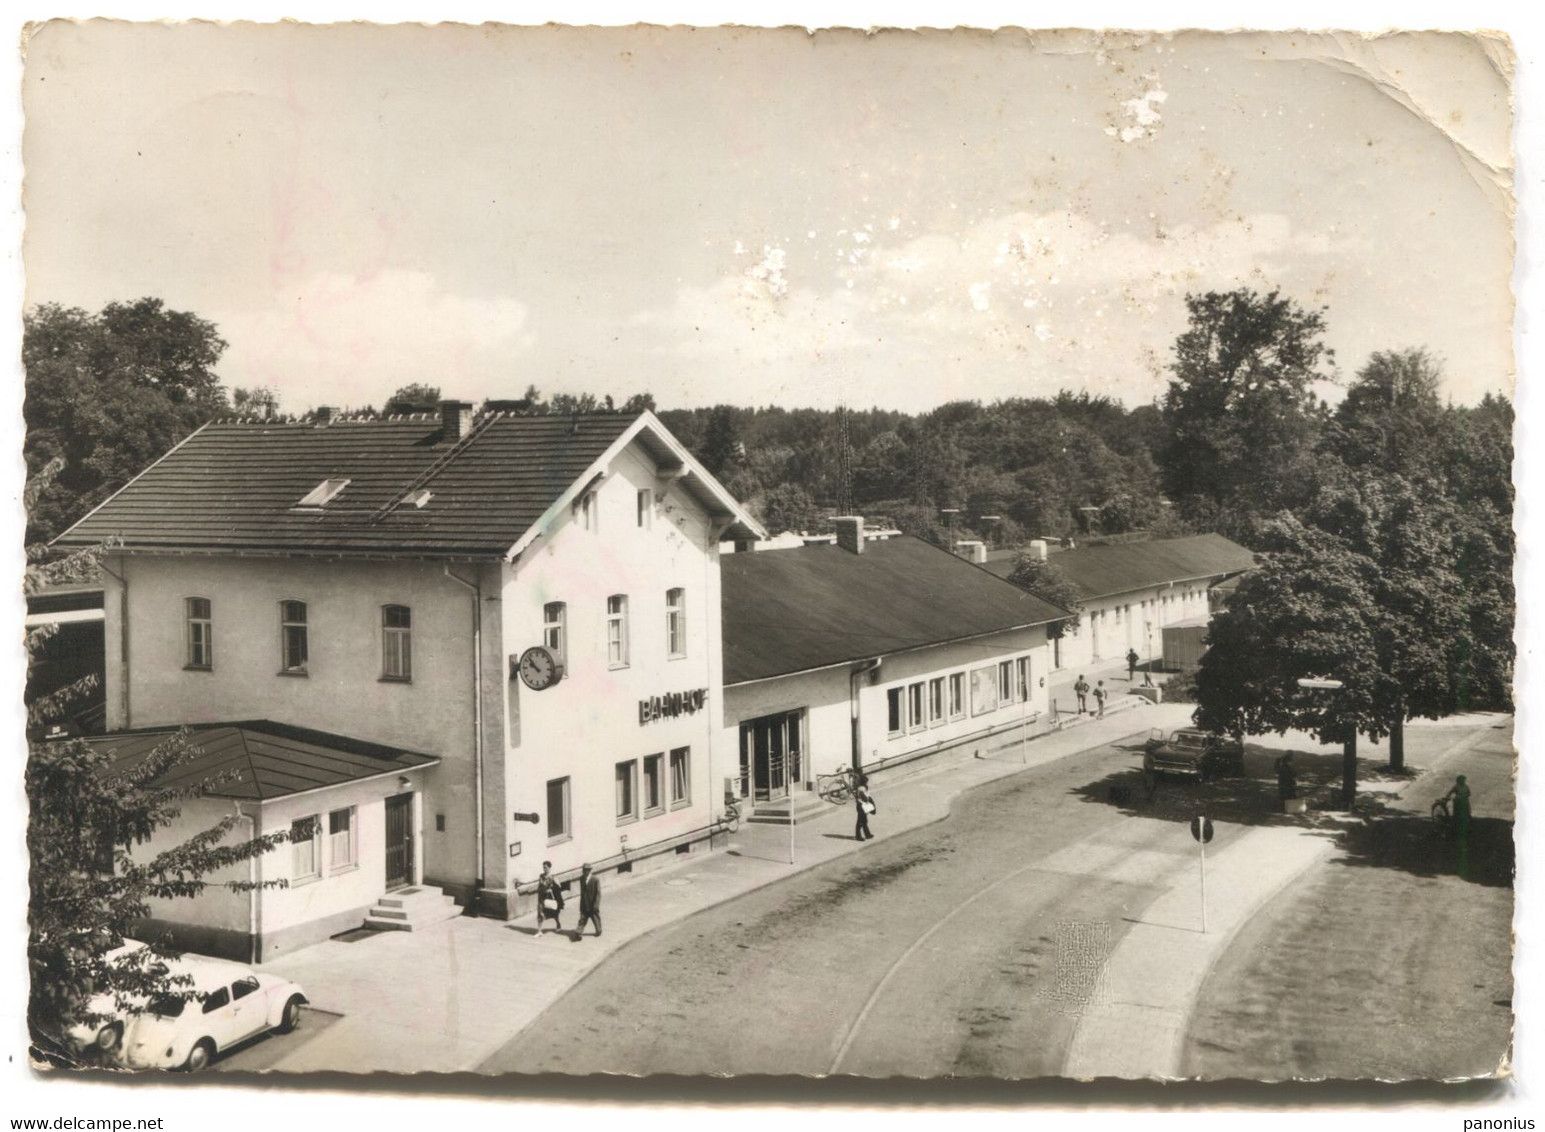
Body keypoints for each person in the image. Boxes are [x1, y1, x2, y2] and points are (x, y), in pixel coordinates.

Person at [535, 860, 563, 936]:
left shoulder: (553, 877)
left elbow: (559, 887)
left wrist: (551, 889)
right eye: (543, 867)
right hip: (542, 898)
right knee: (540, 914)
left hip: (549, 898)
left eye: (546, 867)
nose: (544, 869)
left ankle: (558, 924)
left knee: (554, 914)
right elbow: (539, 886)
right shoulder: (541, 876)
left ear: (549, 867)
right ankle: (539, 931)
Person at [574, 862, 602, 939]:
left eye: (586, 870)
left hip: (592, 903)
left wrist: (596, 904)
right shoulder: (581, 878)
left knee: (595, 918)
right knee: (582, 919)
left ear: (589, 870)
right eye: (583, 870)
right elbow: (582, 892)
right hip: (584, 903)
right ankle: (579, 933)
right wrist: (581, 903)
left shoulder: (595, 879)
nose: (584, 871)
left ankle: (598, 930)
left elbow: (598, 893)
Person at [1439, 774, 1472, 839]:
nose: (1463, 781)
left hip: (1465, 802)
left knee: (1466, 814)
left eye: (1463, 780)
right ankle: (1456, 829)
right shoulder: (1456, 787)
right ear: (1458, 781)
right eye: (1461, 780)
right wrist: (1447, 797)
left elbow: (1469, 793)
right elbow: (1450, 792)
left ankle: (1465, 828)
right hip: (1458, 802)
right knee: (1457, 815)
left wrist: (1465, 796)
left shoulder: (1466, 786)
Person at [854, 776, 876, 841]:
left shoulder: (863, 787)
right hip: (861, 806)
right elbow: (864, 798)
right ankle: (858, 836)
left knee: (864, 821)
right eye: (866, 782)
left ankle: (867, 834)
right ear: (864, 782)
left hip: (861, 806)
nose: (867, 783)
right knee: (860, 822)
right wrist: (868, 800)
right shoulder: (861, 788)